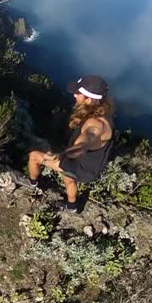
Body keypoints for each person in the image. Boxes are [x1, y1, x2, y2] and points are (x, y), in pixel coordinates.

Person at [26, 75, 115, 212]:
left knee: (34, 156)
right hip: (89, 168)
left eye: (78, 93)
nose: (74, 95)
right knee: (67, 176)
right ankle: (72, 206)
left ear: (89, 99)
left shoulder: (95, 125)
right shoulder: (104, 114)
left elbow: (83, 144)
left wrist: (59, 155)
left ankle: (32, 184)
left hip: (80, 167)